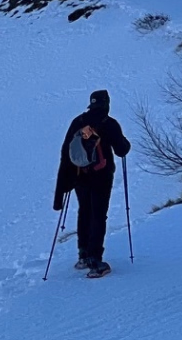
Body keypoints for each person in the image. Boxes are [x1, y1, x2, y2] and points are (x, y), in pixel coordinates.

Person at [54, 89, 131, 277]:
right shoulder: (109, 123)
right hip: (101, 176)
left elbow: (66, 153)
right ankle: (96, 260)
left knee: (84, 212)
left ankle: (83, 255)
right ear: (106, 104)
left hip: (80, 176)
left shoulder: (78, 122)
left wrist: (63, 186)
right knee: (98, 215)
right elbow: (121, 150)